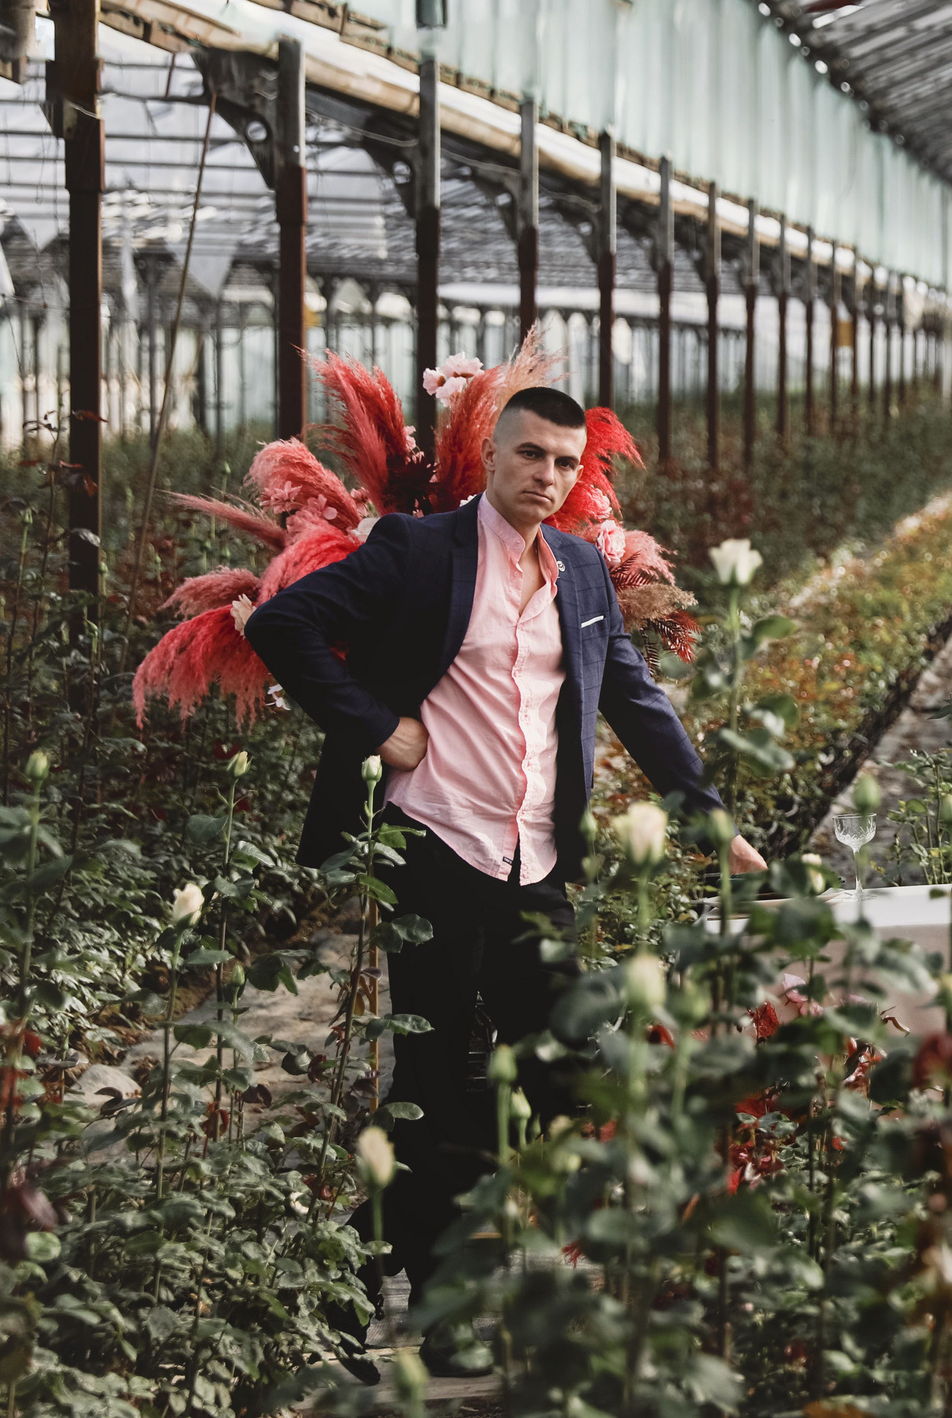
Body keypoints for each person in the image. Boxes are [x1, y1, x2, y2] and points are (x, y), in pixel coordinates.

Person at [247, 384, 764, 1358]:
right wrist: (377, 726)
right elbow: (282, 626)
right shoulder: (418, 550)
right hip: (437, 847)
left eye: (565, 462)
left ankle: (359, 1259)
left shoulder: (582, 569)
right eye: (530, 454)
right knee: (438, 1073)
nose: (547, 476)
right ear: (491, 453)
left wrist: (710, 821)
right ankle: (442, 1313)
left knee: (558, 1066)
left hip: (536, 860)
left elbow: (635, 699)